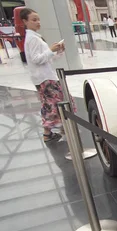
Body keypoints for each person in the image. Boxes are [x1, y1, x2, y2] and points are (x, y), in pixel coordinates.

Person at [21, 7, 66, 142]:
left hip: (46, 76)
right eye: (34, 20)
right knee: (53, 104)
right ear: (25, 22)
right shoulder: (33, 39)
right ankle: (58, 130)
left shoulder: (35, 37)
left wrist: (57, 51)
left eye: (38, 19)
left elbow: (48, 59)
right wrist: (51, 50)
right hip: (45, 78)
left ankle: (52, 131)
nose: (38, 22)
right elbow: (36, 59)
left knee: (51, 104)